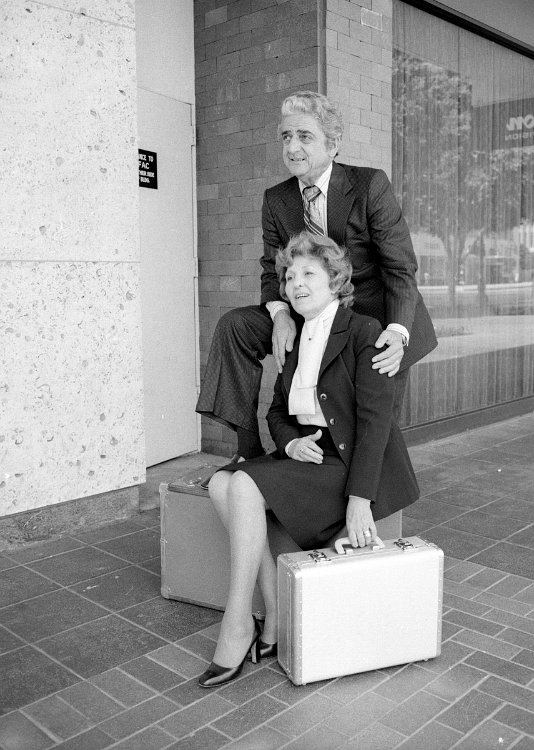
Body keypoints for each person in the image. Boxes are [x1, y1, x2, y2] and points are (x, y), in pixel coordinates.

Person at [198, 232, 420, 689]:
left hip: (350, 468)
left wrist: (360, 500)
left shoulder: (365, 332)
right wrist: (291, 445)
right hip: (312, 458)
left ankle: (237, 624)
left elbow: (376, 424)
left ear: (335, 281)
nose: (295, 283)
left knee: (243, 484)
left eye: (308, 274)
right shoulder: (296, 338)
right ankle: (277, 613)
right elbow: (278, 413)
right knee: (221, 482)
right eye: (289, 276)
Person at [196, 91, 437, 472]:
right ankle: (248, 449)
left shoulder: (369, 185)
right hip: (308, 311)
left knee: (372, 439)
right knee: (236, 326)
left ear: (332, 144)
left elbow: (400, 267)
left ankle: (365, 488)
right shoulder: (276, 199)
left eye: (304, 136)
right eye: (286, 136)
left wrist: (397, 331)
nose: (292, 147)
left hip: (372, 317)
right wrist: (280, 314)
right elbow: (271, 269)